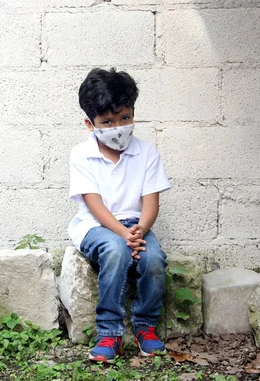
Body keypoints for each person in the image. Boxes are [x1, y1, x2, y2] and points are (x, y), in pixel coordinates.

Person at [68, 68, 171, 363]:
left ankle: (145, 326)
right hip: (96, 225)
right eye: (108, 122)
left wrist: (139, 229)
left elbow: (151, 201)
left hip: (137, 225)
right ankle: (109, 332)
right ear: (90, 124)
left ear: (133, 113)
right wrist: (123, 235)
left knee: (153, 259)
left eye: (125, 118)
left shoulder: (147, 152)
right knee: (116, 251)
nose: (118, 127)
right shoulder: (81, 154)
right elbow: (94, 203)